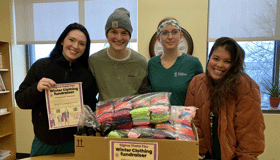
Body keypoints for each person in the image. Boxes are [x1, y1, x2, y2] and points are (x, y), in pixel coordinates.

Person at [15, 23, 98, 157]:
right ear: (61, 41)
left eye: (81, 43)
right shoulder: (41, 67)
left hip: (74, 142)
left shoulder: (87, 75)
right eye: (71, 40)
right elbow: (21, 101)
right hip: (44, 142)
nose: (75, 46)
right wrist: (36, 88)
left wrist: (87, 116)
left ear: (85, 48)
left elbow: (91, 108)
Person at [185, 37, 265, 160]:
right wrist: (199, 151)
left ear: (235, 64)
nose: (220, 65)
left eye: (227, 61)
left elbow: (250, 132)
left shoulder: (245, 86)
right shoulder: (197, 83)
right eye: (215, 59)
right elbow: (192, 121)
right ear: (209, 58)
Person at [88, 7, 149, 101]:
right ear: (107, 34)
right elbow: (88, 92)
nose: (119, 38)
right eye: (114, 32)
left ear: (129, 36)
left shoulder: (141, 62)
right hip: (104, 114)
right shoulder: (94, 61)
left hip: (132, 114)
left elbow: (144, 95)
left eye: (124, 33)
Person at [148, 17, 203, 105]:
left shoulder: (193, 63)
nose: (170, 37)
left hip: (185, 117)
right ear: (158, 38)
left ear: (180, 36)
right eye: (165, 33)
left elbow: (202, 95)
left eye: (174, 32)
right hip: (158, 117)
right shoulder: (152, 64)